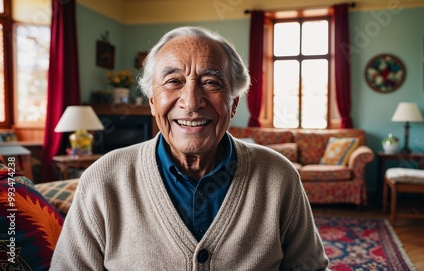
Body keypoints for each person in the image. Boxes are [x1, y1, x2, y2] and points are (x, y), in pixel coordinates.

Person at [50, 26, 329, 270]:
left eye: (211, 82)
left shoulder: (278, 176)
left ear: (233, 103)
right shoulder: (103, 179)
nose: (192, 101)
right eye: (173, 81)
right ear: (152, 101)